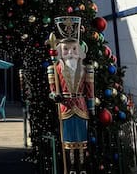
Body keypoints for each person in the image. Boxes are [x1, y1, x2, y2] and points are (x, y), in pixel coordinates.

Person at [47, 16, 95, 174]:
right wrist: (55, 96)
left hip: (81, 105)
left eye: (74, 49)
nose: (70, 53)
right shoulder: (54, 68)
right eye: (66, 50)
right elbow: (53, 91)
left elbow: (89, 90)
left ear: (80, 50)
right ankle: (71, 167)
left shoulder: (86, 68)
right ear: (60, 52)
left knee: (82, 139)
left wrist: (92, 108)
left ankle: (82, 167)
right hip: (65, 106)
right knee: (67, 139)